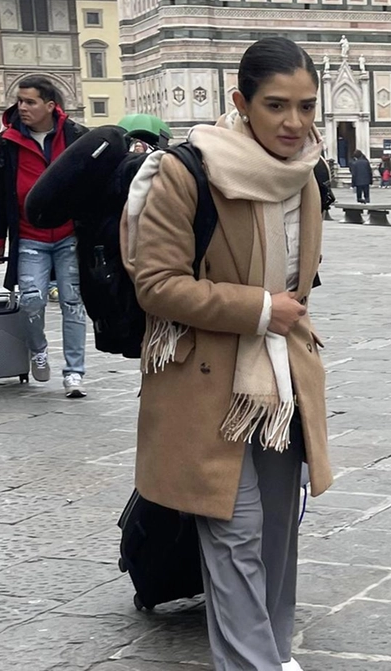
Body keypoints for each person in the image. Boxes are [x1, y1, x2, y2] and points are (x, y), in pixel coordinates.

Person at [123, 36, 330, 671]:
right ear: (241, 103)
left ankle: (274, 650)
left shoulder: (305, 175)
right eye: (276, 106)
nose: (294, 123)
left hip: (277, 379)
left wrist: (281, 315)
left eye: (306, 106)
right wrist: (260, 309)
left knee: (277, 531)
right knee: (234, 531)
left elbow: (301, 277)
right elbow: (156, 285)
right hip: (206, 383)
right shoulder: (186, 172)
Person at [0, 75, 89, 398]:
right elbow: (1, 194)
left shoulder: (74, 136)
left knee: (73, 303)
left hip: (68, 234)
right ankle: (39, 349)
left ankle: (74, 373)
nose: (23, 107)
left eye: (30, 101)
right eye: (20, 101)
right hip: (30, 234)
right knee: (32, 300)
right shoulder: (8, 141)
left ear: (50, 105)